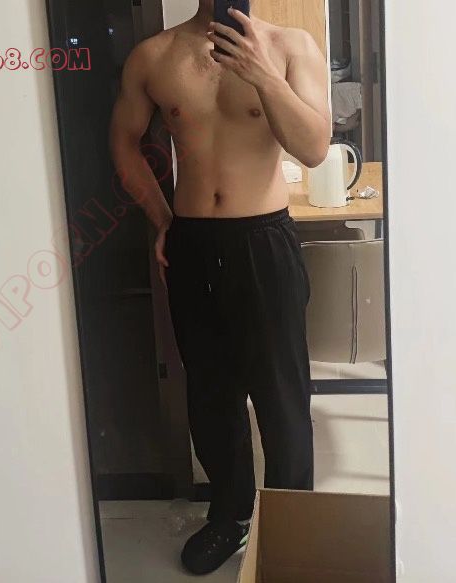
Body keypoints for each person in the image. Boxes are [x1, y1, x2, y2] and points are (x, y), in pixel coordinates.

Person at [109, 0, 331, 575]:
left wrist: (261, 74)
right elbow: (124, 143)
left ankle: (290, 528)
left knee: (282, 400)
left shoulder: (291, 48)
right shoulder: (154, 56)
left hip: (264, 240)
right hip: (192, 243)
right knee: (210, 396)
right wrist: (162, 219)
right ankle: (230, 517)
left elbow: (313, 147)